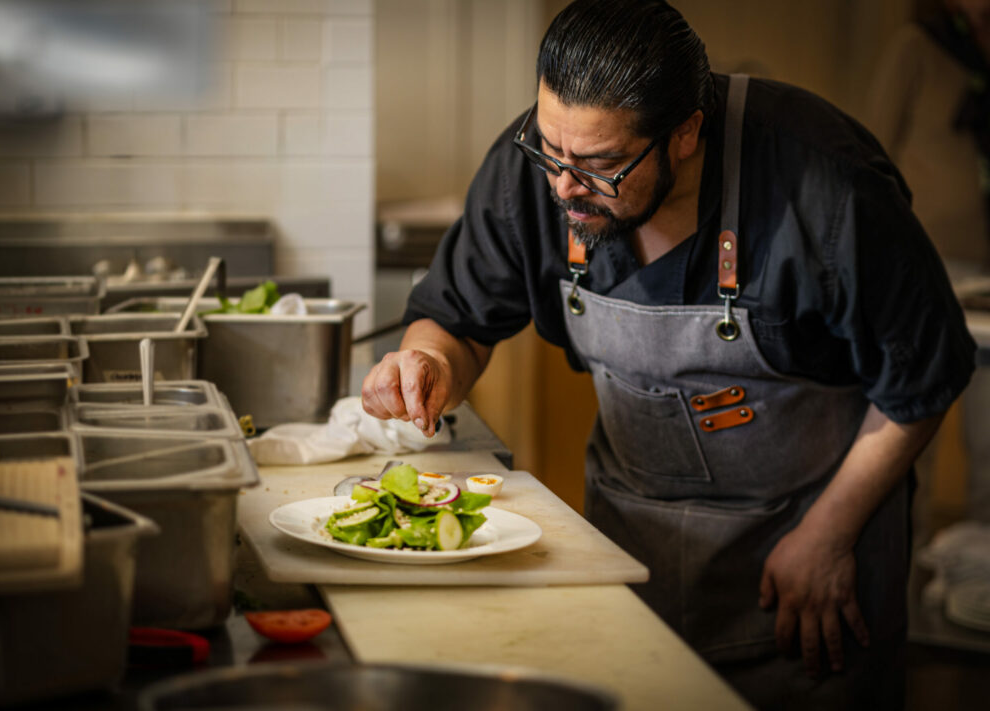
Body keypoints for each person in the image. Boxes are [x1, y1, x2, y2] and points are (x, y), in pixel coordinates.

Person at [362, 1, 976, 708]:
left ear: (686, 133)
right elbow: (456, 316)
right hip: (631, 556)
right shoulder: (541, 168)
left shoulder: (824, 181)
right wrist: (430, 360)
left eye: (599, 166)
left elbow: (925, 373)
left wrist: (830, 533)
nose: (563, 186)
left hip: (805, 576)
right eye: (551, 152)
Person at [867, 0, 990, 534]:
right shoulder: (918, 46)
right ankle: (904, 568)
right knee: (916, 421)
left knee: (988, 435)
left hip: (989, 270)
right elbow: (873, 149)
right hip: (930, 260)